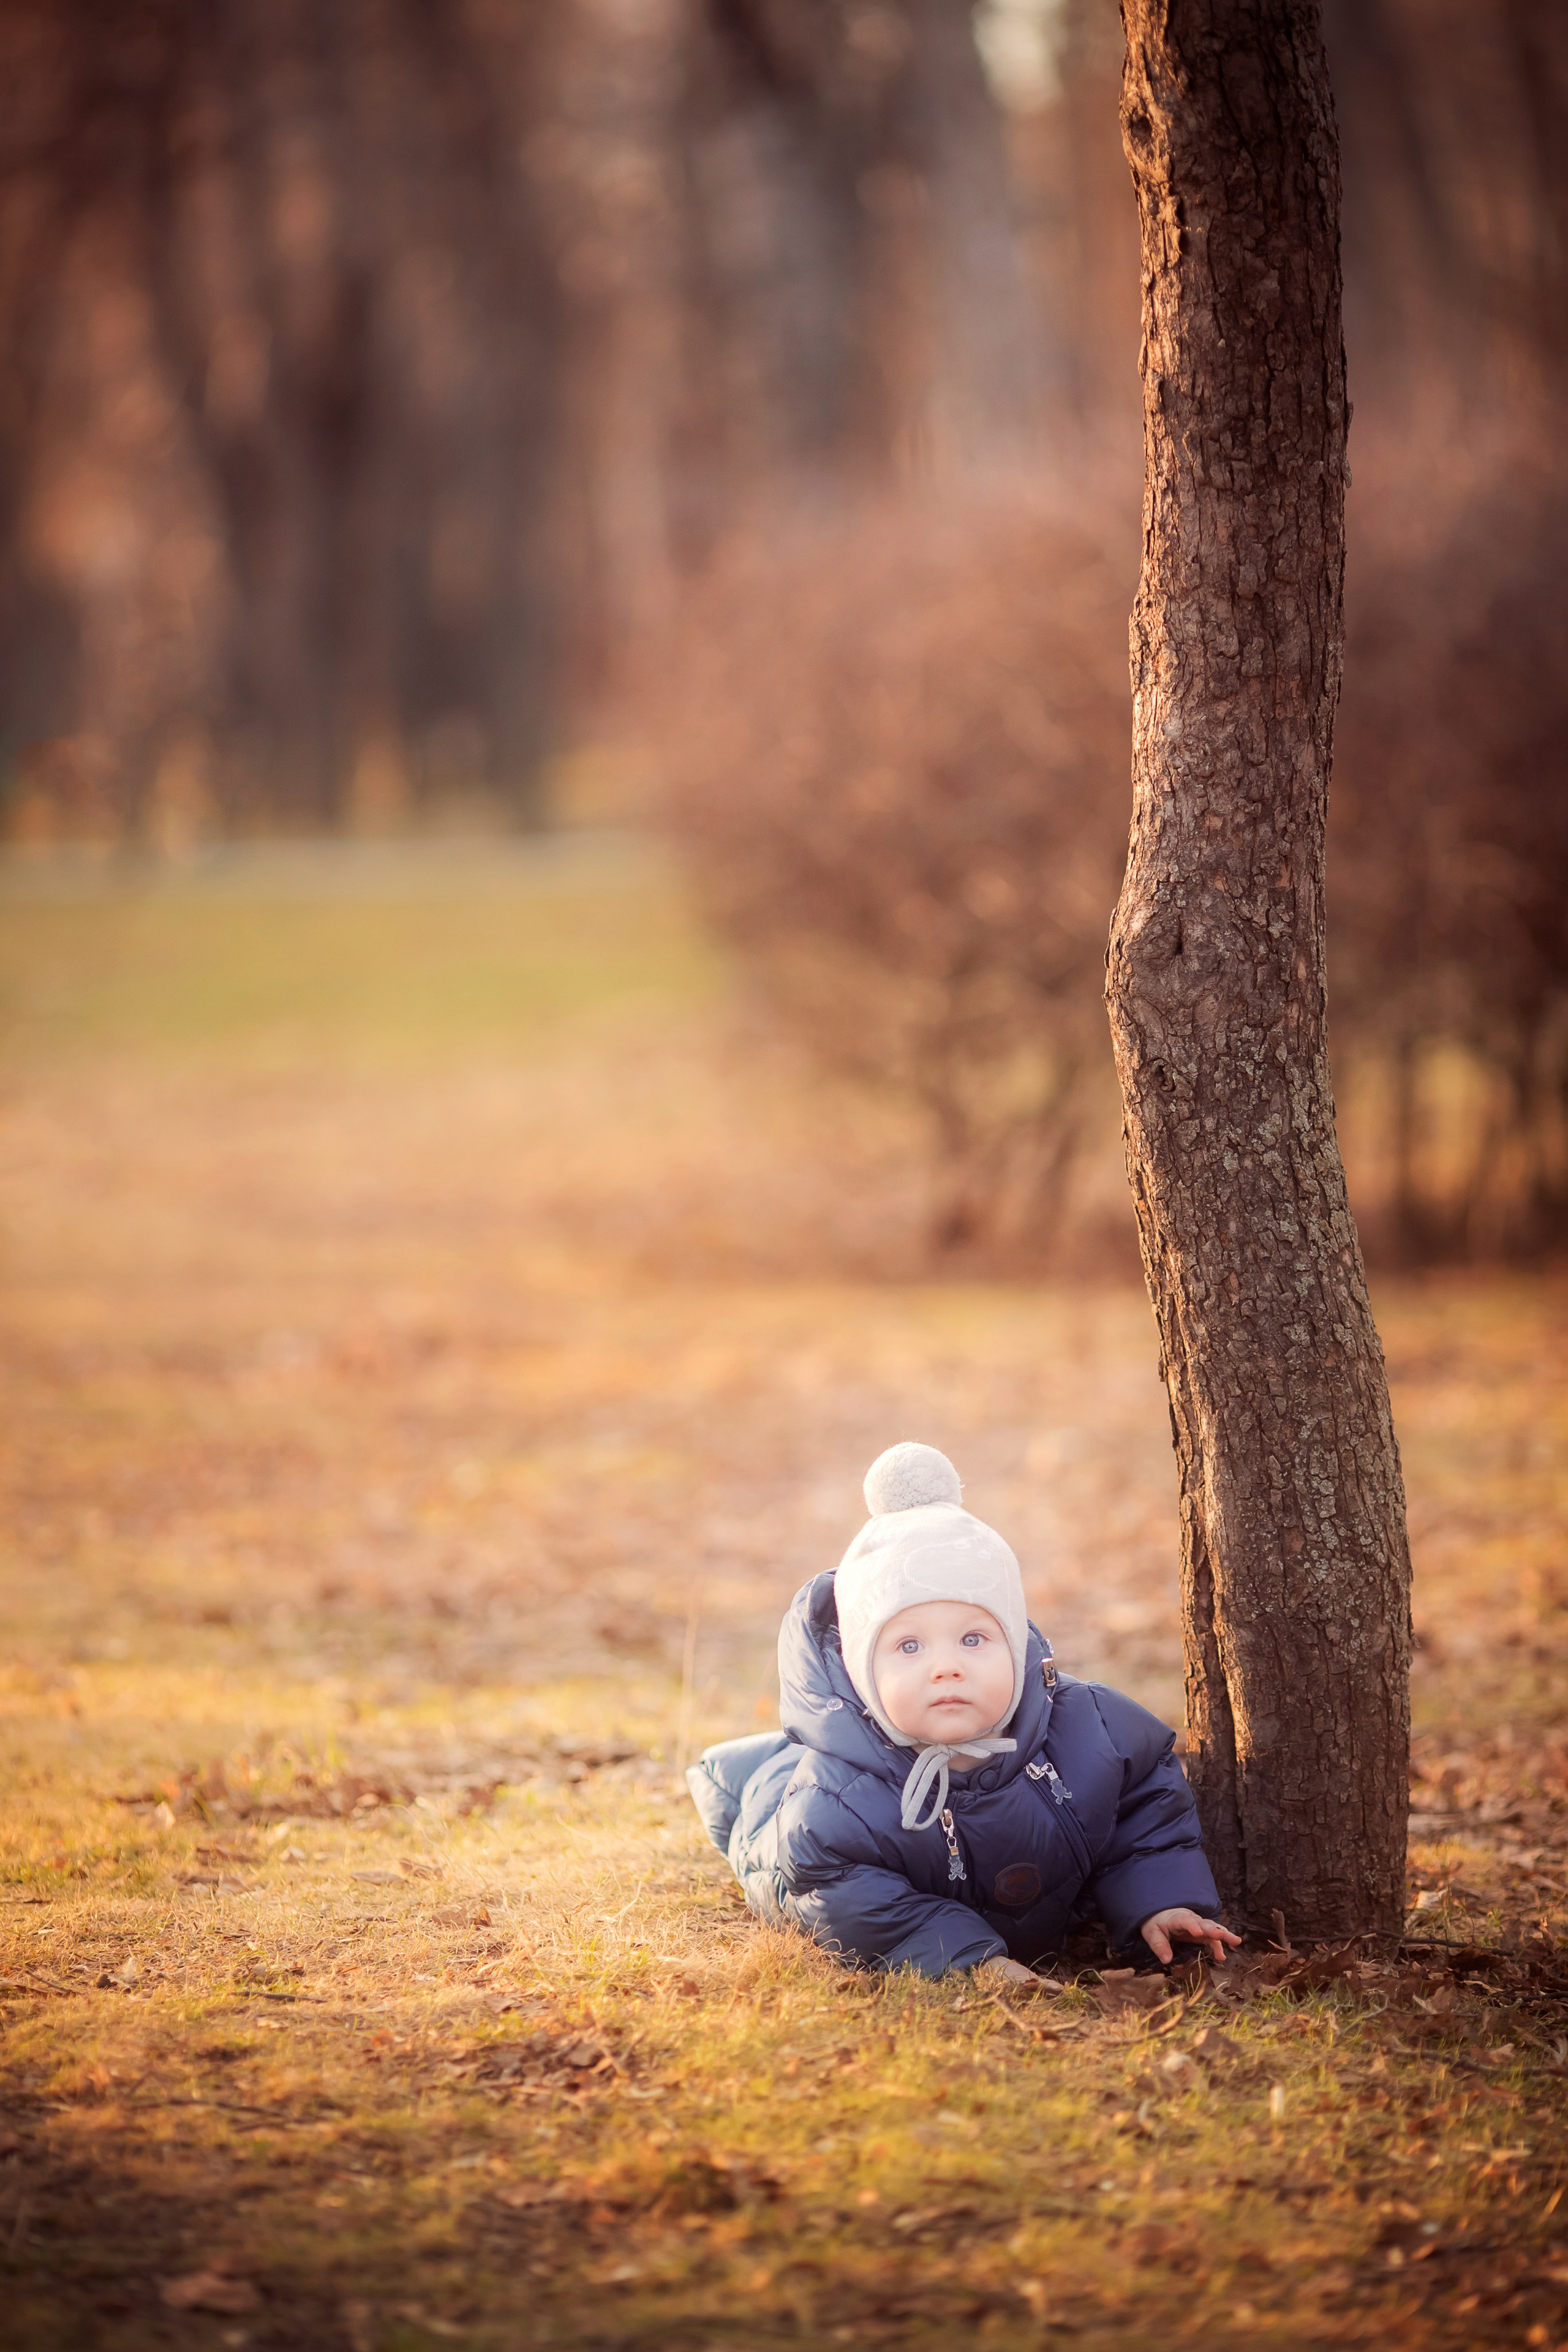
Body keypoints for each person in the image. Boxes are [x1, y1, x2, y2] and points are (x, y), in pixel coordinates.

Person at [686, 1441, 1240, 1983]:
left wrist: (1159, 1900)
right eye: (909, 1647)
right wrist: (966, 1957)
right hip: (784, 1817)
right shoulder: (831, 1804)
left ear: (1016, 1644)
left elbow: (1147, 1810)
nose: (946, 1667)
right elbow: (842, 1901)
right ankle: (741, 1774)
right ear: (862, 1672)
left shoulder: (1091, 1728)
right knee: (768, 1826)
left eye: (974, 1639)